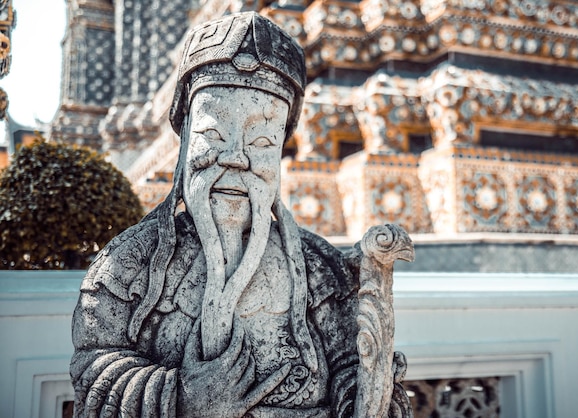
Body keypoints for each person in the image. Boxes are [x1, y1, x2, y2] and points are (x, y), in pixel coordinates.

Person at [70, 12, 412, 418]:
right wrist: (181, 397)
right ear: (184, 146)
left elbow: (347, 367)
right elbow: (92, 369)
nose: (235, 158)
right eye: (213, 135)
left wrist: (372, 390)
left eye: (263, 140)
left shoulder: (318, 268)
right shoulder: (130, 263)